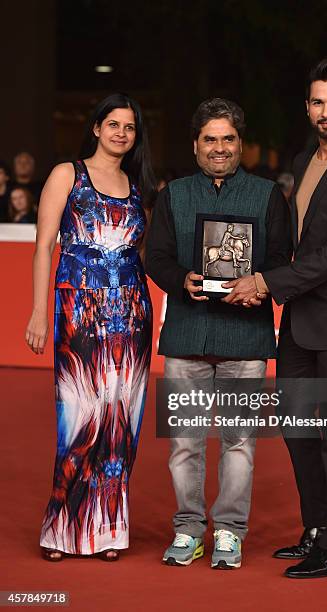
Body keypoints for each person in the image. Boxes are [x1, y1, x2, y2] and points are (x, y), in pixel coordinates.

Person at [223, 59, 327, 578]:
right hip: (297, 320)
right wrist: (255, 272)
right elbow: (297, 244)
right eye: (318, 102)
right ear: (309, 108)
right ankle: (316, 528)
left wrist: (265, 283)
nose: (326, 111)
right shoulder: (304, 158)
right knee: (298, 429)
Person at [145, 98, 291, 569]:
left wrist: (259, 285)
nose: (219, 147)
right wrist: (180, 281)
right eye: (210, 139)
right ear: (195, 145)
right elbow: (157, 258)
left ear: (240, 144)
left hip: (245, 338)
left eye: (228, 138)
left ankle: (229, 530)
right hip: (187, 335)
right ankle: (189, 530)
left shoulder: (268, 196)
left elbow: (281, 261)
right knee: (185, 442)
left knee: (239, 441)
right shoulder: (174, 195)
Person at [25, 93, 156, 562]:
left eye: (130, 127)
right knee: (80, 418)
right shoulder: (68, 175)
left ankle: (107, 530)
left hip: (133, 318)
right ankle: (62, 528)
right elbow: (44, 247)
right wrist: (40, 312)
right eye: (114, 124)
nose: (122, 133)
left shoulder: (138, 185)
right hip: (79, 313)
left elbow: (140, 256)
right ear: (97, 127)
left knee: (121, 425)